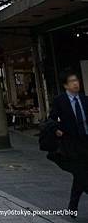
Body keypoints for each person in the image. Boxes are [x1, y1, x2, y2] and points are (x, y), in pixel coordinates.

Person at [48, 70, 88, 215]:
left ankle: (72, 206)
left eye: (77, 80)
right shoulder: (60, 101)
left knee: (80, 174)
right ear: (66, 85)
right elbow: (51, 119)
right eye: (72, 81)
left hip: (86, 140)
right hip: (72, 143)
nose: (76, 83)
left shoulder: (84, 99)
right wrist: (56, 130)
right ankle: (72, 206)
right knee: (82, 172)